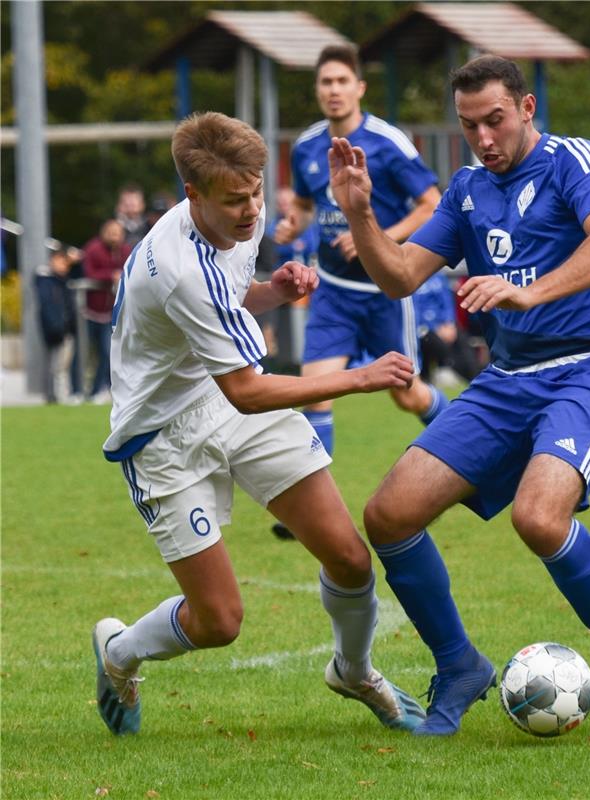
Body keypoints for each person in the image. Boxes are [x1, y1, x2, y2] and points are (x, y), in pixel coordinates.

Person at [328, 55, 590, 738]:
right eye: (469, 125)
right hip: (508, 378)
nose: (483, 137)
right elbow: (399, 276)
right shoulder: (469, 189)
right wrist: (361, 214)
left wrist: (527, 291)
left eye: (495, 120)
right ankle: (458, 666)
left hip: (588, 367)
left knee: (538, 519)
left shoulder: (576, 161)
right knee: (389, 514)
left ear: (527, 107)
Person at [92, 111, 425, 738]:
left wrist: (273, 289)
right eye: (234, 202)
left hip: (228, 401)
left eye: (254, 195)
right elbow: (247, 388)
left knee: (350, 558)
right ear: (192, 196)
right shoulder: (176, 267)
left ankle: (354, 670)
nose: (250, 212)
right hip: (164, 435)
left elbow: (229, 295)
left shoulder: (240, 212)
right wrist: (357, 377)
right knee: (219, 621)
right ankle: (119, 653)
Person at [274, 45, 445, 458]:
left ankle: (473, 447)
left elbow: (432, 204)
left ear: (359, 88)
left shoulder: (389, 142)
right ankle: (313, 511)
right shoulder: (306, 146)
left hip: (385, 291)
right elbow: (303, 203)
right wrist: (292, 222)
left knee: (408, 396)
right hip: (332, 290)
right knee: (315, 391)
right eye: (326, 82)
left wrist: (376, 235)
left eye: (342, 81)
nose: (334, 90)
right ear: (317, 90)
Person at [82, 219, 130, 403]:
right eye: (111, 232)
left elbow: (129, 270)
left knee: (107, 352)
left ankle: (101, 389)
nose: (114, 236)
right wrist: (111, 276)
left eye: (117, 232)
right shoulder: (93, 249)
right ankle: (83, 390)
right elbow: (90, 273)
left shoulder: (126, 250)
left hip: (112, 314)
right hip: (90, 312)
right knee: (86, 353)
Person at [413, 271, 482, 386]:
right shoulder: (410, 279)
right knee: (434, 343)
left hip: (445, 325)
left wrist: (449, 323)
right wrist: (433, 326)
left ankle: (476, 381)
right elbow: (413, 309)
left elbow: (447, 302)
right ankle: (447, 373)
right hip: (423, 328)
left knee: (463, 343)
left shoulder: (438, 276)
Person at [35, 245, 78, 403]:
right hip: (54, 330)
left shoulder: (65, 281)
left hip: (66, 329)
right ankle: (57, 397)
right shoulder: (46, 281)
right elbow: (47, 306)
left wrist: (75, 262)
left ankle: (60, 396)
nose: (63, 265)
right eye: (60, 261)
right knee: (56, 367)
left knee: (61, 366)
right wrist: (56, 327)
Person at [115, 183, 151, 248]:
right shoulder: (111, 228)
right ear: (118, 206)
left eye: (133, 203)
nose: (129, 205)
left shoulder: (150, 225)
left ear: (142, 205)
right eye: (125, 202)